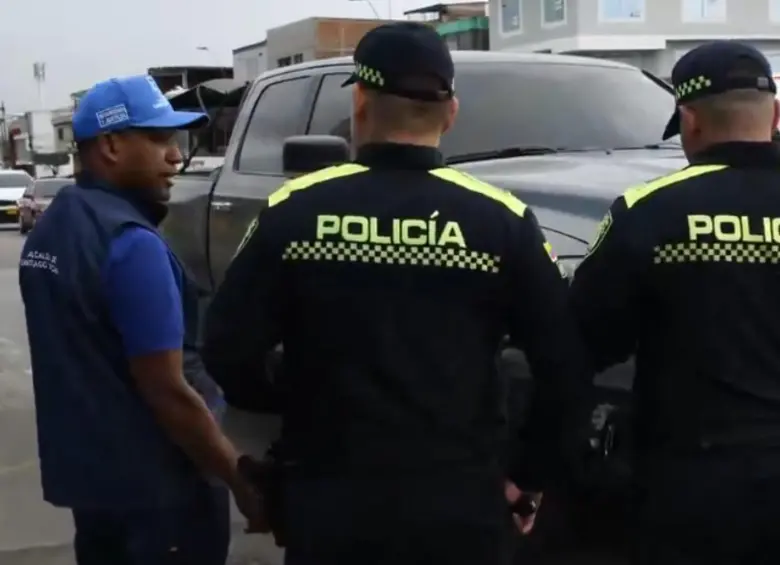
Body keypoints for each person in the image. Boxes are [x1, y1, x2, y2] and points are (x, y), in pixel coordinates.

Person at [203, 21, 592, 565]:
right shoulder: (502, 221)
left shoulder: (294, 211)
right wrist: (528, 475)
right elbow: (566, 369)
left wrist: (296, 398)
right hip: (461, 502)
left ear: (360, 102)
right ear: (450, 112)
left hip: (331, 498)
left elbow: (226, 349)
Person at [18, 75, 260, 565]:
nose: (176, 157)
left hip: (94, 489)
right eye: (158, 138)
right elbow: (168, 390)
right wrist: (239, 478)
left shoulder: (53, 228)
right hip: (161, 495)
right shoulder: (132, 244)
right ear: (110, 145)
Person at [569, 41, 780, 564]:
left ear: (689, 120)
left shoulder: (648, 212)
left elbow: (581, 343)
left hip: (695, 484)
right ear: (776, 114)